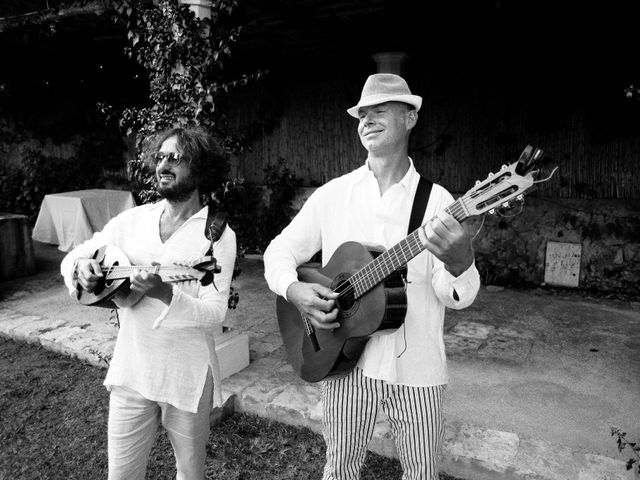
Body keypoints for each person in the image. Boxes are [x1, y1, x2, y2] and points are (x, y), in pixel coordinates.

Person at [263, 73, 480, 480]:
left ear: (411, 118)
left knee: (422, 474)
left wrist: (460, 263)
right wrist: (294, 290)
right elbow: (279, 250)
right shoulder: (332, 194)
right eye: (363, 113)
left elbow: (451, 293)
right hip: (345, 366)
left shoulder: (438, 203)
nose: (368, 119)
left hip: (417, 369)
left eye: (381, 110)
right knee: (339, 470)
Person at [60, 127, 236, 480]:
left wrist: (164, 293)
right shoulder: (133, 220)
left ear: (200, 168)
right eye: (160, 157)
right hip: (132, 369)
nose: (163, 165)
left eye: (175, 158)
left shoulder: (217, 236)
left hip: (186, 376)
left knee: (190, 474)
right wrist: (82, 267)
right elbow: (78, 254)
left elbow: (215, 314)